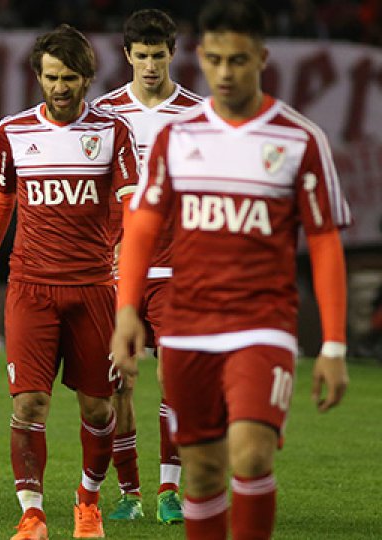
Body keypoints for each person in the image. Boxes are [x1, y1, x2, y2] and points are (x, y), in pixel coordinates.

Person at [111, 1, 350, 538]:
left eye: (238, 60)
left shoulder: (298, 139)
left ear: (261, 58)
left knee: (251, 454)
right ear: (201, 57)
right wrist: (127, 308)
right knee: (202, 472)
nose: (225, 72)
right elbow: (142, 227)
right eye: (215, 60)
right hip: (191, 323)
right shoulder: (180, 137)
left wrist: (333, 345)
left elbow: (326, 242)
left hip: (261, 323)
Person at [0, 24, 140, 539]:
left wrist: (129, 273)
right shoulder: (13, 131)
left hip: (94, 287)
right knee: (29, 403)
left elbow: (134, 208)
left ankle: (87, 501)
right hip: (29, 287)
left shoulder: (113, 133)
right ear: (38, 77)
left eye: (69, 77)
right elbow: (1, 199)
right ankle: (32, 514)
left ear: (88, 78)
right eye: (50, 77)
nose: (60, 87)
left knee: (99, 406)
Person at [92, 8, 202, 524]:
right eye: (142, 56)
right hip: (120, 269)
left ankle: (168, 490)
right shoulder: (105, 115)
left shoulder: (200, 115)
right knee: (120, 383)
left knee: (178, 381)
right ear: (127, 55)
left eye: (159, 56)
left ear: (172, 54)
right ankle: (130, 493)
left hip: (181, 267)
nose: (151, 65)